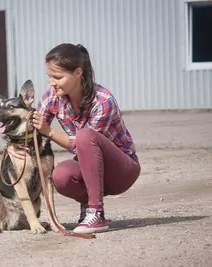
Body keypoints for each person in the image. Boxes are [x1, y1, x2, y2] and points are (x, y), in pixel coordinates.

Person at [7, 43, 141, 234]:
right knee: (60, 176)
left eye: (58, 77)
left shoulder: (103, 101)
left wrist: (50, 132)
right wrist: (15, 146)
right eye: (49, 77)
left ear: (78, 73)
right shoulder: (52, 96)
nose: (51, 83)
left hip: (121, 171)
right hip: (92, 169)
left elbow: (81, 144)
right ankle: (87, 207)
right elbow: (33, 127)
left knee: (85, 135)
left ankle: (95, 213)